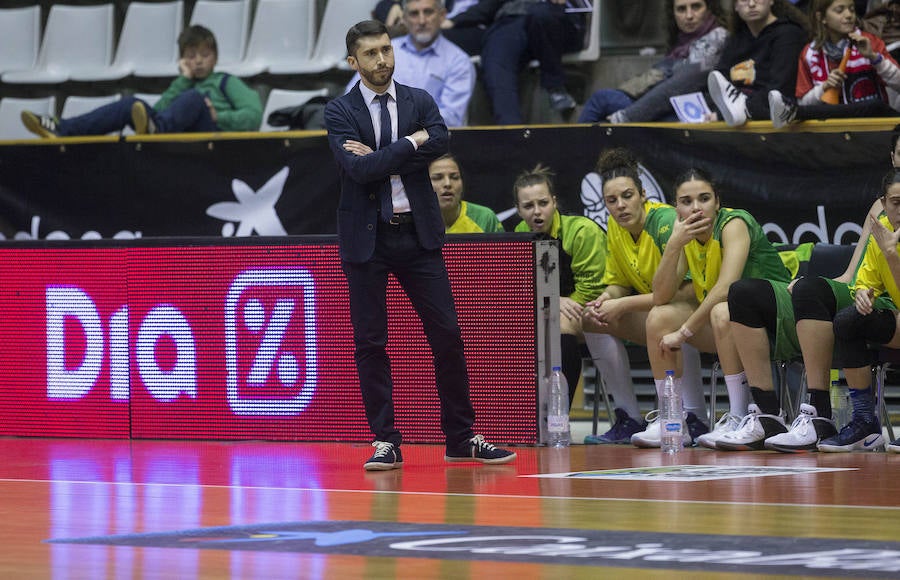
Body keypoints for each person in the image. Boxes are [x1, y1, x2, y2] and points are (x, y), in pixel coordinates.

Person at [324, 19, 515, 471]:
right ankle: (386, 439)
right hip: (367, 238)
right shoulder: (339, 111)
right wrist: (412, 142)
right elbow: (360, 173)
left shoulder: (419, 99)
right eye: (370, 53)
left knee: (447, 334)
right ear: (354, 61)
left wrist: (380, 156)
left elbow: (442, 142)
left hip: (417, 233)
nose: (382, 60)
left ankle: (461, 436)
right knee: (370, 343)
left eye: (387, 50)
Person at [716, 129, 899, 452]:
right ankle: (773, 414)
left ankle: (822, 414)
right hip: (880, 300)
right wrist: (834, 288)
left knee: (821, 299)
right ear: (892, 159)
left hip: (894, 306)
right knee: (745, 294)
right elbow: (857, 277)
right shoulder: (882, 215)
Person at [644, 168, 793, 448]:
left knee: (722, 310)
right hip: (731, 328)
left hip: (777, 322)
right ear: (676, 207)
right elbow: (660, 295)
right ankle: (673, 419)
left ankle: (738, 414)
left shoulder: (734, 223)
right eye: (686, 201)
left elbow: (727, 287)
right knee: (659, 317)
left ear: (717, 201)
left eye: (703, 198)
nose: (696, 208)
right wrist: (674, 245)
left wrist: (684, 333)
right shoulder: (685, 236)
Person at [580, 148, 705, 445]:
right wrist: (606, 298)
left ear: (643, 194)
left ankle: (693, 416)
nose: (620, 206)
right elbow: (620, 283)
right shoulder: (614, 225)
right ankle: (629, 418)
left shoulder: (664, 221)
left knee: (664, 318)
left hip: (698, 312)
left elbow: (683, 292)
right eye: (612, 200)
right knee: (591, 318)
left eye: (627, 196)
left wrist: (622, 304)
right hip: (658, 311)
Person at [20, 25, 262, 138]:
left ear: (215, 57)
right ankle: (63, 128)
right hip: (173, 137)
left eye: (205, 55)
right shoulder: (183, 84)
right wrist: (182, 80)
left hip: (209, 138)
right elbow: (154, 115)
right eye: (191, 55)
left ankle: (160, 132)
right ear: (182, 59)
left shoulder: (225, 82)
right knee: (130, 104)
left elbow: (254, 115)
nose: (198, 61)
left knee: (194, 100)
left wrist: (220, 117)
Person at [512, 164, 606, 403]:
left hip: (593, 308)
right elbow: (524, 287)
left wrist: (556, 304)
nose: (537, 212)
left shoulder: (582, 231)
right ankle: (524, 412)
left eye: (543, 203)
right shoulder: (520, 232)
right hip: (551, 308)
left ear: (554, 202)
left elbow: (592, 288)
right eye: (528, 206)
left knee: (559, 324)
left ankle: (558, 413)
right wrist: (552, 302)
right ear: (518, 210)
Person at [822, 169, 900, 453]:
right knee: (847, 321)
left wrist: (892, 254)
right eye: (896, 202)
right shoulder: (881, 230)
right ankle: (865, 421)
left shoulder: (887, 243)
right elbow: (865, 281)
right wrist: (863, 295)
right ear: (884, 202)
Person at [579, 0, 728, 124]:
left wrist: (627, 116)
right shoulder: (682, 42)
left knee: (602, 100)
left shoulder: (717, 37)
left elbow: (679, 85)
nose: (689, 16)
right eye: (681, 9)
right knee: (603, 105)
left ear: (709, 8)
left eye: (696, 7)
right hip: (666, 106)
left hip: (689, 112)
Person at [444, 0, 585, 124]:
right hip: (513, 20)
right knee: (497, 61)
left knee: (541, 14)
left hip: (558, 16)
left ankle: (556, 87)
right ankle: (513, 137)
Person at [768, 0, 900, 128]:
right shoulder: (809, 53)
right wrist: (824, 87)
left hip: (875, 124)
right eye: (840, 10)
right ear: (822, 17)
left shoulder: (870, 42)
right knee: (827, 112)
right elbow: (803, 102)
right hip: (833, 130)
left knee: (873, 105)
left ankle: (793, 113)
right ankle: (792, 112)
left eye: (852, 9)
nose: (849, 15)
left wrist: (874, 57)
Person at [350, 0, 476, 127]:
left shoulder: (458, 61)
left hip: (428, 143)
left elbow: (451, 119)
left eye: (428, 12)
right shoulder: (384, 50)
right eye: (414, 14)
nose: (422, 21)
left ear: (442, 15)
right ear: (404, 19)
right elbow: (351, 98)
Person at [706, 0, 809, 127]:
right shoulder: (736, 38)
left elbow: (780, 90)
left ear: (771, 1)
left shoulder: (788, 34)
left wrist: (729, 112)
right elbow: (718, 81)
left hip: (776, 121)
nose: (751, 4)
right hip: (738, 120)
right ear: (735, 6)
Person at [429, 154, 504, 232]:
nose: (447, 184)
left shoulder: (485, 218)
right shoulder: (416, 221)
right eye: (437, 178)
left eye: (454, 177)